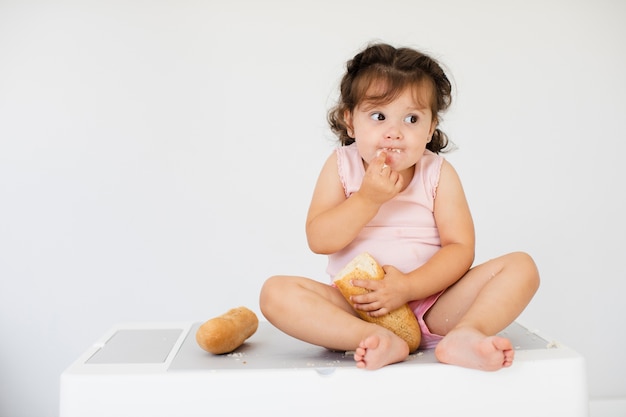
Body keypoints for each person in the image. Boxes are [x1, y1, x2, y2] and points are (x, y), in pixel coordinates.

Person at [259, 42, 540, 371]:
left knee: (522, 267)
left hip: (435, 304)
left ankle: (465, 334)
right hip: (357, 304)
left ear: (431, 128)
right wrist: (367, 199)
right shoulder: (340, 165)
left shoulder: (437, 173)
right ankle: (372, 337)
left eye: (411, 118)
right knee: (275, 293)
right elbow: (319, 239)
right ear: (350, 121)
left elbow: (461, 248)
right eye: (378, 116)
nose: (394, 133)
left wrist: (408, 287)